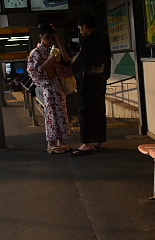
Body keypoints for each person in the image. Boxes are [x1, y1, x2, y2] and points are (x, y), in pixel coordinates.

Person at [27, 23, 72, 154]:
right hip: (48, 85)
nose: (49, 40)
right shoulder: (36, 52)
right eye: (47, 37)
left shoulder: (54, 49)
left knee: (61, 113)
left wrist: (59, 42)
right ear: (41, 37)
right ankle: (51, 142)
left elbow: (66, 60)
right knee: (51, 114)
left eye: (51, 38)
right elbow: (34, 71)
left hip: (57, 84)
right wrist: (50, 60)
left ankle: (61, 140)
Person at [69, 15, 111, 156]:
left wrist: (73, 63)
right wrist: (104, 76)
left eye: (80, 29)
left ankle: (87, 143)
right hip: (100, 79)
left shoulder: (87, 42)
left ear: (85, 26)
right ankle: (101, 141)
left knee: (85, 111)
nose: (81, 32)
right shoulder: (102, 39)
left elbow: (80, 62)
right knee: (99, 111)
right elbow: (108, 60)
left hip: (88, 81)